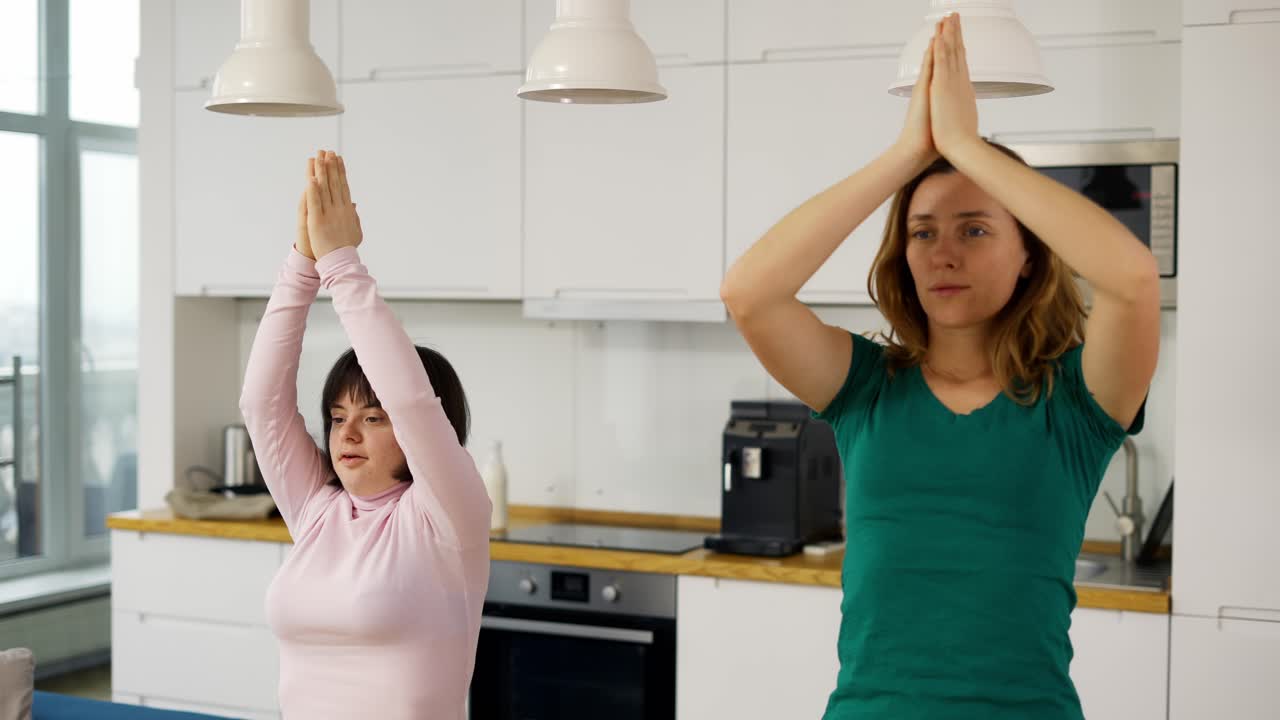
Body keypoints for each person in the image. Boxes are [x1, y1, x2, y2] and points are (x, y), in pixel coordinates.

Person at [720, 14, 1159, 719]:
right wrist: (906, 154)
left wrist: (966, 147)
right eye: (922, 233)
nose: (942, 253)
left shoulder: (1077, 403)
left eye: (976, 230)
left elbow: (1133, 279)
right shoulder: (865, 388)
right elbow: (749, 292)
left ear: (1028, 258)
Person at [239, 150, 492, 719]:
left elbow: (410, 399)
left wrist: (340, 264)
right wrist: (301, 263)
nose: (347, 433)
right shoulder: (318, 510)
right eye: (336, 417)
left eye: (373, 418)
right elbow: (261, 404)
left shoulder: (449, 516)